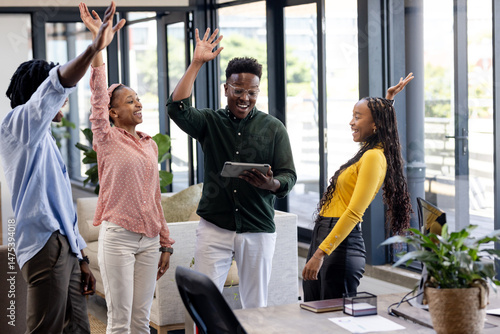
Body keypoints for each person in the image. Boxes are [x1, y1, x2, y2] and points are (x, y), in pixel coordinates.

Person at [0, 2, 124, 333]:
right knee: (46, 329)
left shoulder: (46, 140)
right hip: (44, 243)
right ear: (40, 97)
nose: (64, 100)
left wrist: (81, 256)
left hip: (64, 245)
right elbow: (56, 85)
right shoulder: (18, 125)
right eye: (58, 96)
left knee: (79, 328)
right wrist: (91, 49)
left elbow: (60, 203)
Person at [167, 28, 297, 309]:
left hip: (258, 227)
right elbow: (177, 108)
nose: (245, 98)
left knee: (256, 304)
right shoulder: (210, 122)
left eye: (252, 92)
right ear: (226, 88)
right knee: (205, 302)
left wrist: (271, 185)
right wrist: (197, 63)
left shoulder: (273, 128)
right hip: (215, 226)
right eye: (238, 91)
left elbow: (289, 175)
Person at [79, 3, 175, 333]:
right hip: (118, 238)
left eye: (138, 98)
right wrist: (98, 45)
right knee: (119, 321)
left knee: (141, 318)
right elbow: (96, 92)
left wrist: (165, 241)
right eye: (130, 100)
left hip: (149, 240)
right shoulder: (105, 137)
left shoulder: (149, 144)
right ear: (113, 112)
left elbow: (155, 197)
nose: (138, 103)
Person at [301, 73, 414, 301]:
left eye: (357, 116)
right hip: (325, 235)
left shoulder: (374, 157)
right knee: (313, 311)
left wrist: (320, 253)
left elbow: (354, 212)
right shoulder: (368, 150)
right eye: (353, 115)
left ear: (375, 124)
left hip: (340, 246)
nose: (351, 122)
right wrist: (388, 100)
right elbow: (381, 119)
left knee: (333, 318)